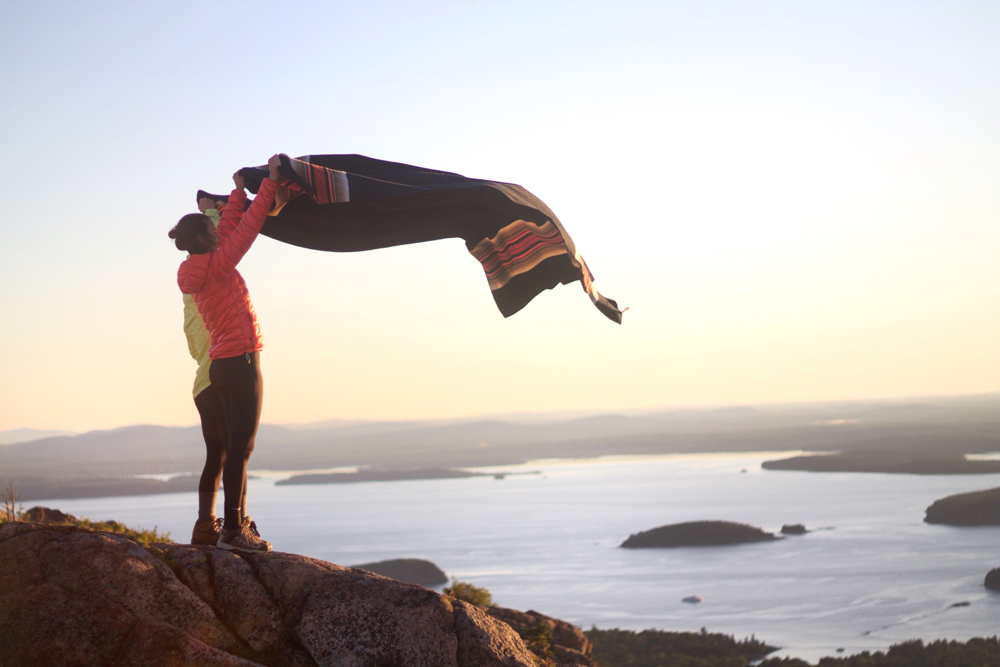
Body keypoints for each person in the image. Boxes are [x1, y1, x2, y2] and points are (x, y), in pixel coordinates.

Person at [169, 154, 281, 553]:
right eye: (212, 230)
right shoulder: (219, 264)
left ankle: (221, 526)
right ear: (205, 238)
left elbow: (233, 224)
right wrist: (268, 183)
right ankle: (234, 531)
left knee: (226, 451)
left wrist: (238, 191)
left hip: (220, 366)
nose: (220, 232)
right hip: (242, 361)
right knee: (240, 450)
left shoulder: (202, 267)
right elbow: (248, 228)